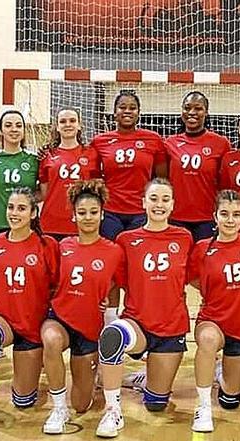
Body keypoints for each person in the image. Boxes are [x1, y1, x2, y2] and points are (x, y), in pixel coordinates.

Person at [94, 178, 193, 438]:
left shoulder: (184, 237)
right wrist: (105, 302)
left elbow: (193, 277)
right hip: (137, 323)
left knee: (156, 404)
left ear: (173, 205)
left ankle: (142, 378)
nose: (159, 205)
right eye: (153, 199)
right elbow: (114, 279)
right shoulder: (126, 240)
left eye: (165, 200)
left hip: (171, 327)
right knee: (113, 335)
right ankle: (112, 411)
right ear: (143, 203)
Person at [0, 188, 59, 433]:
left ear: (33, 213)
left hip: (32, 326)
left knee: (23, 401)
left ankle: (31, 376)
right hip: (3, 318)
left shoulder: (46, 245)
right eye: (11, 207)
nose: (14, 213)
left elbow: (57, 286)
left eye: (21, 208)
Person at [41, 179, 124, 434]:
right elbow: (50, 282)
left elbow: (116, 286)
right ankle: (57, 408)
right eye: (82, 212)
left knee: (82, 405)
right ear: (74, 216)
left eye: (93, 212)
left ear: (102, 215)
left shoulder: (114, 251)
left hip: (89, 329)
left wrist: (107, 312)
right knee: (52, 341)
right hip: (61, 318)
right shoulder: (62, 246)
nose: (88, 217)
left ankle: (97, 366)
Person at [91, 89, 167, 325]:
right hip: (111, 213)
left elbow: (160, 179)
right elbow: (94, 180)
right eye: (122, 107)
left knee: (139, 271)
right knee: (112, 269)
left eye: (132, 107)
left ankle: (141, 320)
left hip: (140, 216)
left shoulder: (153, 140)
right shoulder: (100, 141)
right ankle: (110, 322)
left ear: (139, 112)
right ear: (114, 112)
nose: (127, 111)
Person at [188, 190, 240, 432]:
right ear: (214, 217)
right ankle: (203, 406)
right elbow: (192, 279)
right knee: (207, 340)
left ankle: (220, 371)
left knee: (230, 401)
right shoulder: (202, 248)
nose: (230, 220)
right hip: (212, 320)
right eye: (224, 214)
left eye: (236, 215)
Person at [165, 91, 231, 242]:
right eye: (187, 108)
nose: (192, 112)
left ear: (206, 113)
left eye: (198, 108)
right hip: (176, 217)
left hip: (207, 218)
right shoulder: (169, 143)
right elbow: (163, 180)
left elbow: (225, 184)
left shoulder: (221, 144)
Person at [39, 108, 102, 240]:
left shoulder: (91, 153)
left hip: (81, 222)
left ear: (79, 125)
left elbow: (97, 189)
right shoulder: (47, 155)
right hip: (52, 223)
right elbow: (45, 193)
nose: (68, 124)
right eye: (63, 121)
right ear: (56, 127)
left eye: (72, 121)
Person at [0, 107, 39, 237]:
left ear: (23, 130)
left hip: (25, 227)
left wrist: (25, 203)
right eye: (8, 125)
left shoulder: (34, 160)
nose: (14, 129)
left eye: (18, 125)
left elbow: (43, 192)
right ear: (1, 131)